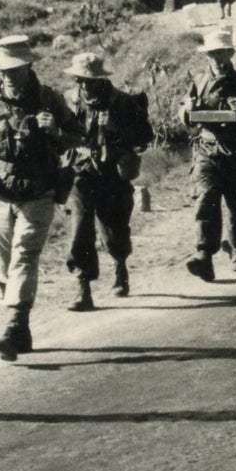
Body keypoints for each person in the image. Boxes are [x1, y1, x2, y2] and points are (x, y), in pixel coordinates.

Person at [0, 35, 78, 361]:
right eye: (3, 69)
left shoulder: (50, 99)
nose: (8, 75)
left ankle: (12, 325)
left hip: (39, 190)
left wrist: (55, 133)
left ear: (28, 66)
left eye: (14, 69)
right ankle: (20, 324)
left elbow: (78, 138)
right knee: (2, 263)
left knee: (25, 254)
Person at [62, 46, 152, 309]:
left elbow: (144, 137)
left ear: (101, 79)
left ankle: (120, 265)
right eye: (79, 80)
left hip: (113, 173)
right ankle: (83, 287)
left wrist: (118, 132)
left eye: (89, 80)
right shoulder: (69, 101)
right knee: (80, 228)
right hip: (80, 172)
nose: (84, 85)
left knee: (114, 230)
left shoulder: (122, 101)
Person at [180, 32, 236, 280]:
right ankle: (204, 255)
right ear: (207, 55)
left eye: (222, 52)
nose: (218, 58)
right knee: (206, 197)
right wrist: (189, 111)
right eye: (213, 53)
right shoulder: (198, 81)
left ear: (231, 54)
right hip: (208, 150)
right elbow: (185, 117)